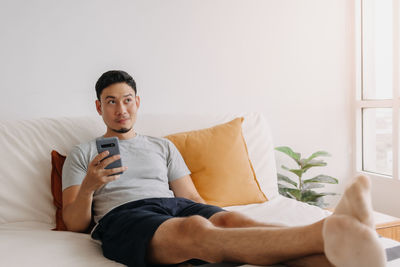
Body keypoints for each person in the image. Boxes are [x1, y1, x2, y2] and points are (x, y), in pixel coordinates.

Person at [62, 70, 386, 267]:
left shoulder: (162, 146)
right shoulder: (83, 153)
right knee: (194, 230)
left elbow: (189, 197)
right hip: (125, 216)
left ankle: (353, 255)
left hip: (172, 206)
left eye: (128, 99)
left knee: (232, 220)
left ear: (138, 102)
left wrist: (216, 219)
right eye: (111, 101)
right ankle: (325, 232)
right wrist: (90, 184)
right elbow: (74, 223)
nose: (121, 109)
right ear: (99, 107)